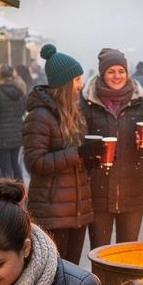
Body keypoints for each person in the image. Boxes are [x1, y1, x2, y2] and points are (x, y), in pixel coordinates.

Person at [81, 48, 143, 248]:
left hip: (133, 193)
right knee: (100, 254)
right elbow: (79, 151)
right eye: (111, 71)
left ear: (127, 73)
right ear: (102, 74)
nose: (117, 76)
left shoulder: (142, 106)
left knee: (126, 255)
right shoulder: (87, 105)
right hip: (98, 194)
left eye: (121, 71)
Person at [23, 42, 93, 264]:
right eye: (76, 80)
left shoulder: (75, 113)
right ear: (64, 84)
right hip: (52, 210)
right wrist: (78, 153)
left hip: (76, 210)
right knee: (54, 273)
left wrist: (91, 158)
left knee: (72, 272)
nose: (80, 85)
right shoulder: (39, 116)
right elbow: (35, 162)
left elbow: (74, 157)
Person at [0, 63, 26, 179]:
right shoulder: (20, 92)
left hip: (1, 137)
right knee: (15, 166)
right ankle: (21, 193)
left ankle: (9, 194)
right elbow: (22, 112)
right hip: (17, 135)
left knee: (6, 169)